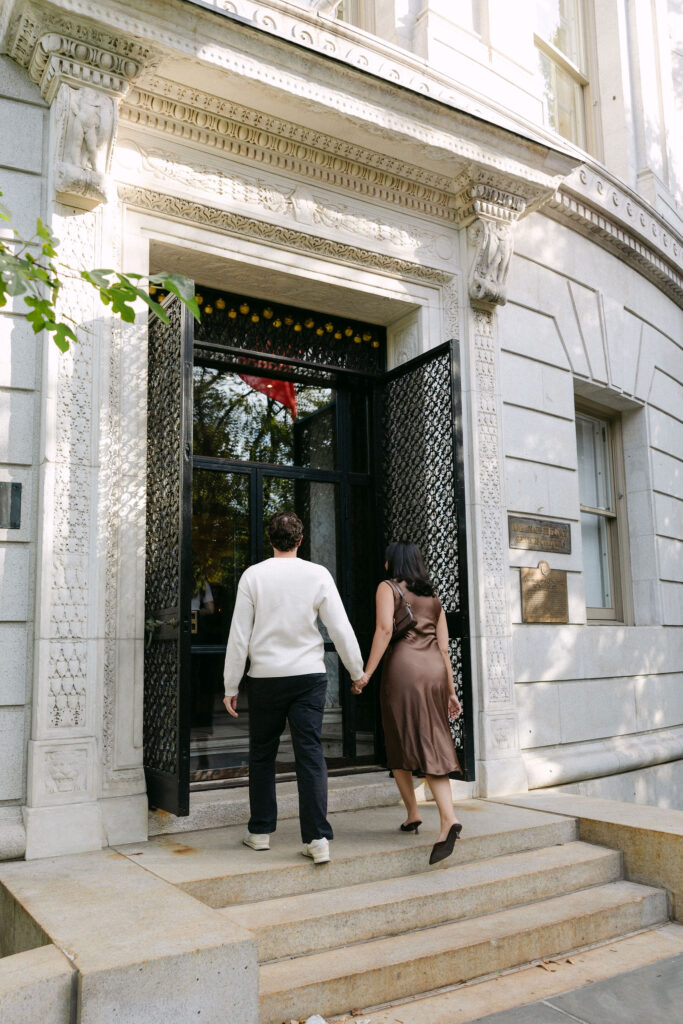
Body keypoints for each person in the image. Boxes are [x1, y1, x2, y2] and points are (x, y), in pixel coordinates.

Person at [223, 510, 366, 864]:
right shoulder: (317, 574)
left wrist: (230, 684)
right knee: (310, 755)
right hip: (308, 676)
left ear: (270, 539)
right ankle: (317, 838)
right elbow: (340, 628)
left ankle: (259, 832)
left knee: (262, 754)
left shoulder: (253, 576)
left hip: (266, 677)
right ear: (300, 540)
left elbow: (239, 636)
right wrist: (356, 671)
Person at [352, 541, 463, 865]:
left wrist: (366, 674)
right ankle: (419, 814)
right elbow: (444, 648)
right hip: (434, 672)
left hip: (404, 671)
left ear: (392, 563)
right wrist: (452, 691)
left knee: (399, 738)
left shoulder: (387, 588)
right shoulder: (434, 598)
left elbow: (385, 630)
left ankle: (443, 818)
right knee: (431, 738)